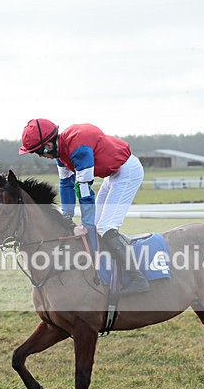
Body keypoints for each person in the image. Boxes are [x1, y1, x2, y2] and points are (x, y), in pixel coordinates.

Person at [19, 118, 150, 295]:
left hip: (127, 172)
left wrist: (86, 224)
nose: (40, 156)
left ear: (48, 145)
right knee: (95, 226)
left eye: (38, 152)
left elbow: (84, 190)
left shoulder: (78, 150)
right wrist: (66, 217)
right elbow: (66, 184)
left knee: (105, 227)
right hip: (113, 175)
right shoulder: (61, 153)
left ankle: (138, 278)